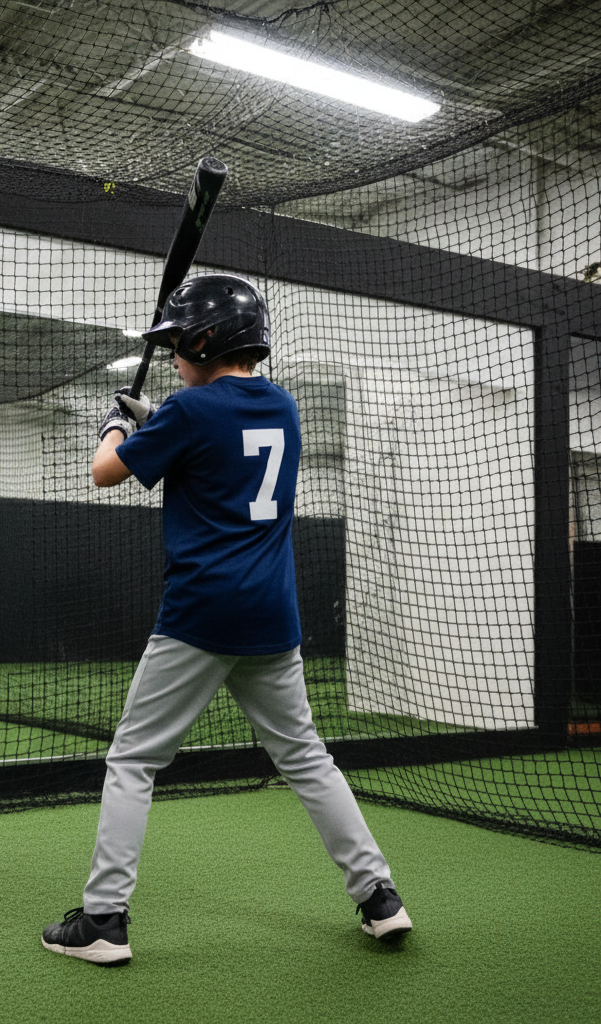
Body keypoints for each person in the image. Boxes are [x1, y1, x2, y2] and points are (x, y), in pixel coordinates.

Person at [41, 275, 411, 965]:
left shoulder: (186, 413)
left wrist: (118, 424)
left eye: (180, 342)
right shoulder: (283, 408)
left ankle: (102, 921)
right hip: (273, 617)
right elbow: (219, 439)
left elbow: (104, 472)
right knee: (305, 758)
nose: (175, 353)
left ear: (206, 341)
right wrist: (158, 416)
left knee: (133, 760)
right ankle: (380, 898)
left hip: (200, 616)